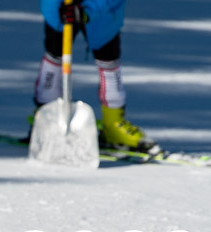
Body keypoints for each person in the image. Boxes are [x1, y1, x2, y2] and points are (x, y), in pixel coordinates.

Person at [33, 0, 156, 152]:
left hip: (103, 12)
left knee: (108, 58)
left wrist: (88, 11)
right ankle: (46, 118)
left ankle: (113, 123)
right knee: (54, 54)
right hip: (59, 8)